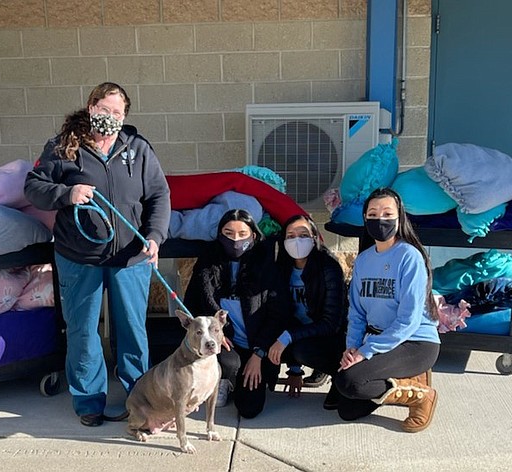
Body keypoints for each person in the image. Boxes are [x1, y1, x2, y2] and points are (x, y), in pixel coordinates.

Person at [24, 82, 171, 427]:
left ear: (125, 117)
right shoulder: (63, 147)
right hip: (79, 257)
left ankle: (141, 397)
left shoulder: (139, 148)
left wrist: (154, 236)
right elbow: (33, 187)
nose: (110, 117)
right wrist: (67, 192)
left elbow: (159, 197)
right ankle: (89, 400)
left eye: (117, 112)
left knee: (133, 330)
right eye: (104, 110)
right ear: (91, 108)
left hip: (131, 259)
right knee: (84, 331)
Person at [333, 187, 441, 433]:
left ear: (399, 217)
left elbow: (409, 320)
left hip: (416, 343)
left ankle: (422, 395)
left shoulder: (409, 256)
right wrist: (352, 348)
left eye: (387, 213)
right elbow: (357, 312)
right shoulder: (363, 260)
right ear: (365, 219)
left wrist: (366, 353)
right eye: (373, 213)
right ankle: (401, 382)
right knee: (347, 409)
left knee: (350, 381)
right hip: (381, 339)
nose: (379, 219)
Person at [183, 209, 288, 419]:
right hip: (225, 341)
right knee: (229, 364)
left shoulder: (266, 263)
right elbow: (192, 303)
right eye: (228, 233)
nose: (235, 240)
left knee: (249, 408)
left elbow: (278, 314)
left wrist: (259, 354)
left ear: (254, 235)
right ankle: (224, 379)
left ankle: (239, 377)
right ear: (220, 234)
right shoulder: (208, 261)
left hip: (258, 344)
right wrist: (213, 336)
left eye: (242, 234)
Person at [267, 215, 346, 407]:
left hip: (329, 338)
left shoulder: (329, 268)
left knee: (303, 350)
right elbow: (282, 315)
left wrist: (288, 337)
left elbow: (331, 323)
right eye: (291, 235)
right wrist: (295, 370)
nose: (297, 240)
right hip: (296, 334)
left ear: (314, 238)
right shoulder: (281, 269)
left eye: (303, 235)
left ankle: (339, 375)